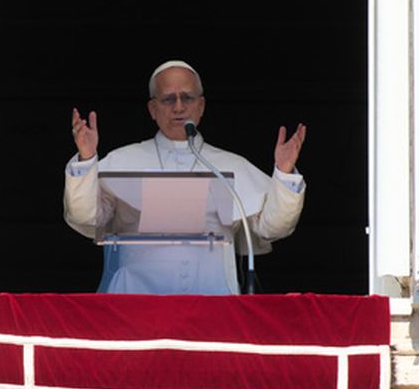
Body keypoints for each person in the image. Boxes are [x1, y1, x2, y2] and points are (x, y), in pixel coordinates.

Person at [64, 60, 306, 294]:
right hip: (134, 300)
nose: (178, 107)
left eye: (187, 98)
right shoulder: (121, 160)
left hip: (212, 298)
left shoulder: (230, 164)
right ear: (152, 109)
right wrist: (86, 159)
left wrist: (284, 174)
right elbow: (86, 217)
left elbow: (272, 227)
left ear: (201, 106)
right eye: (168, 98)